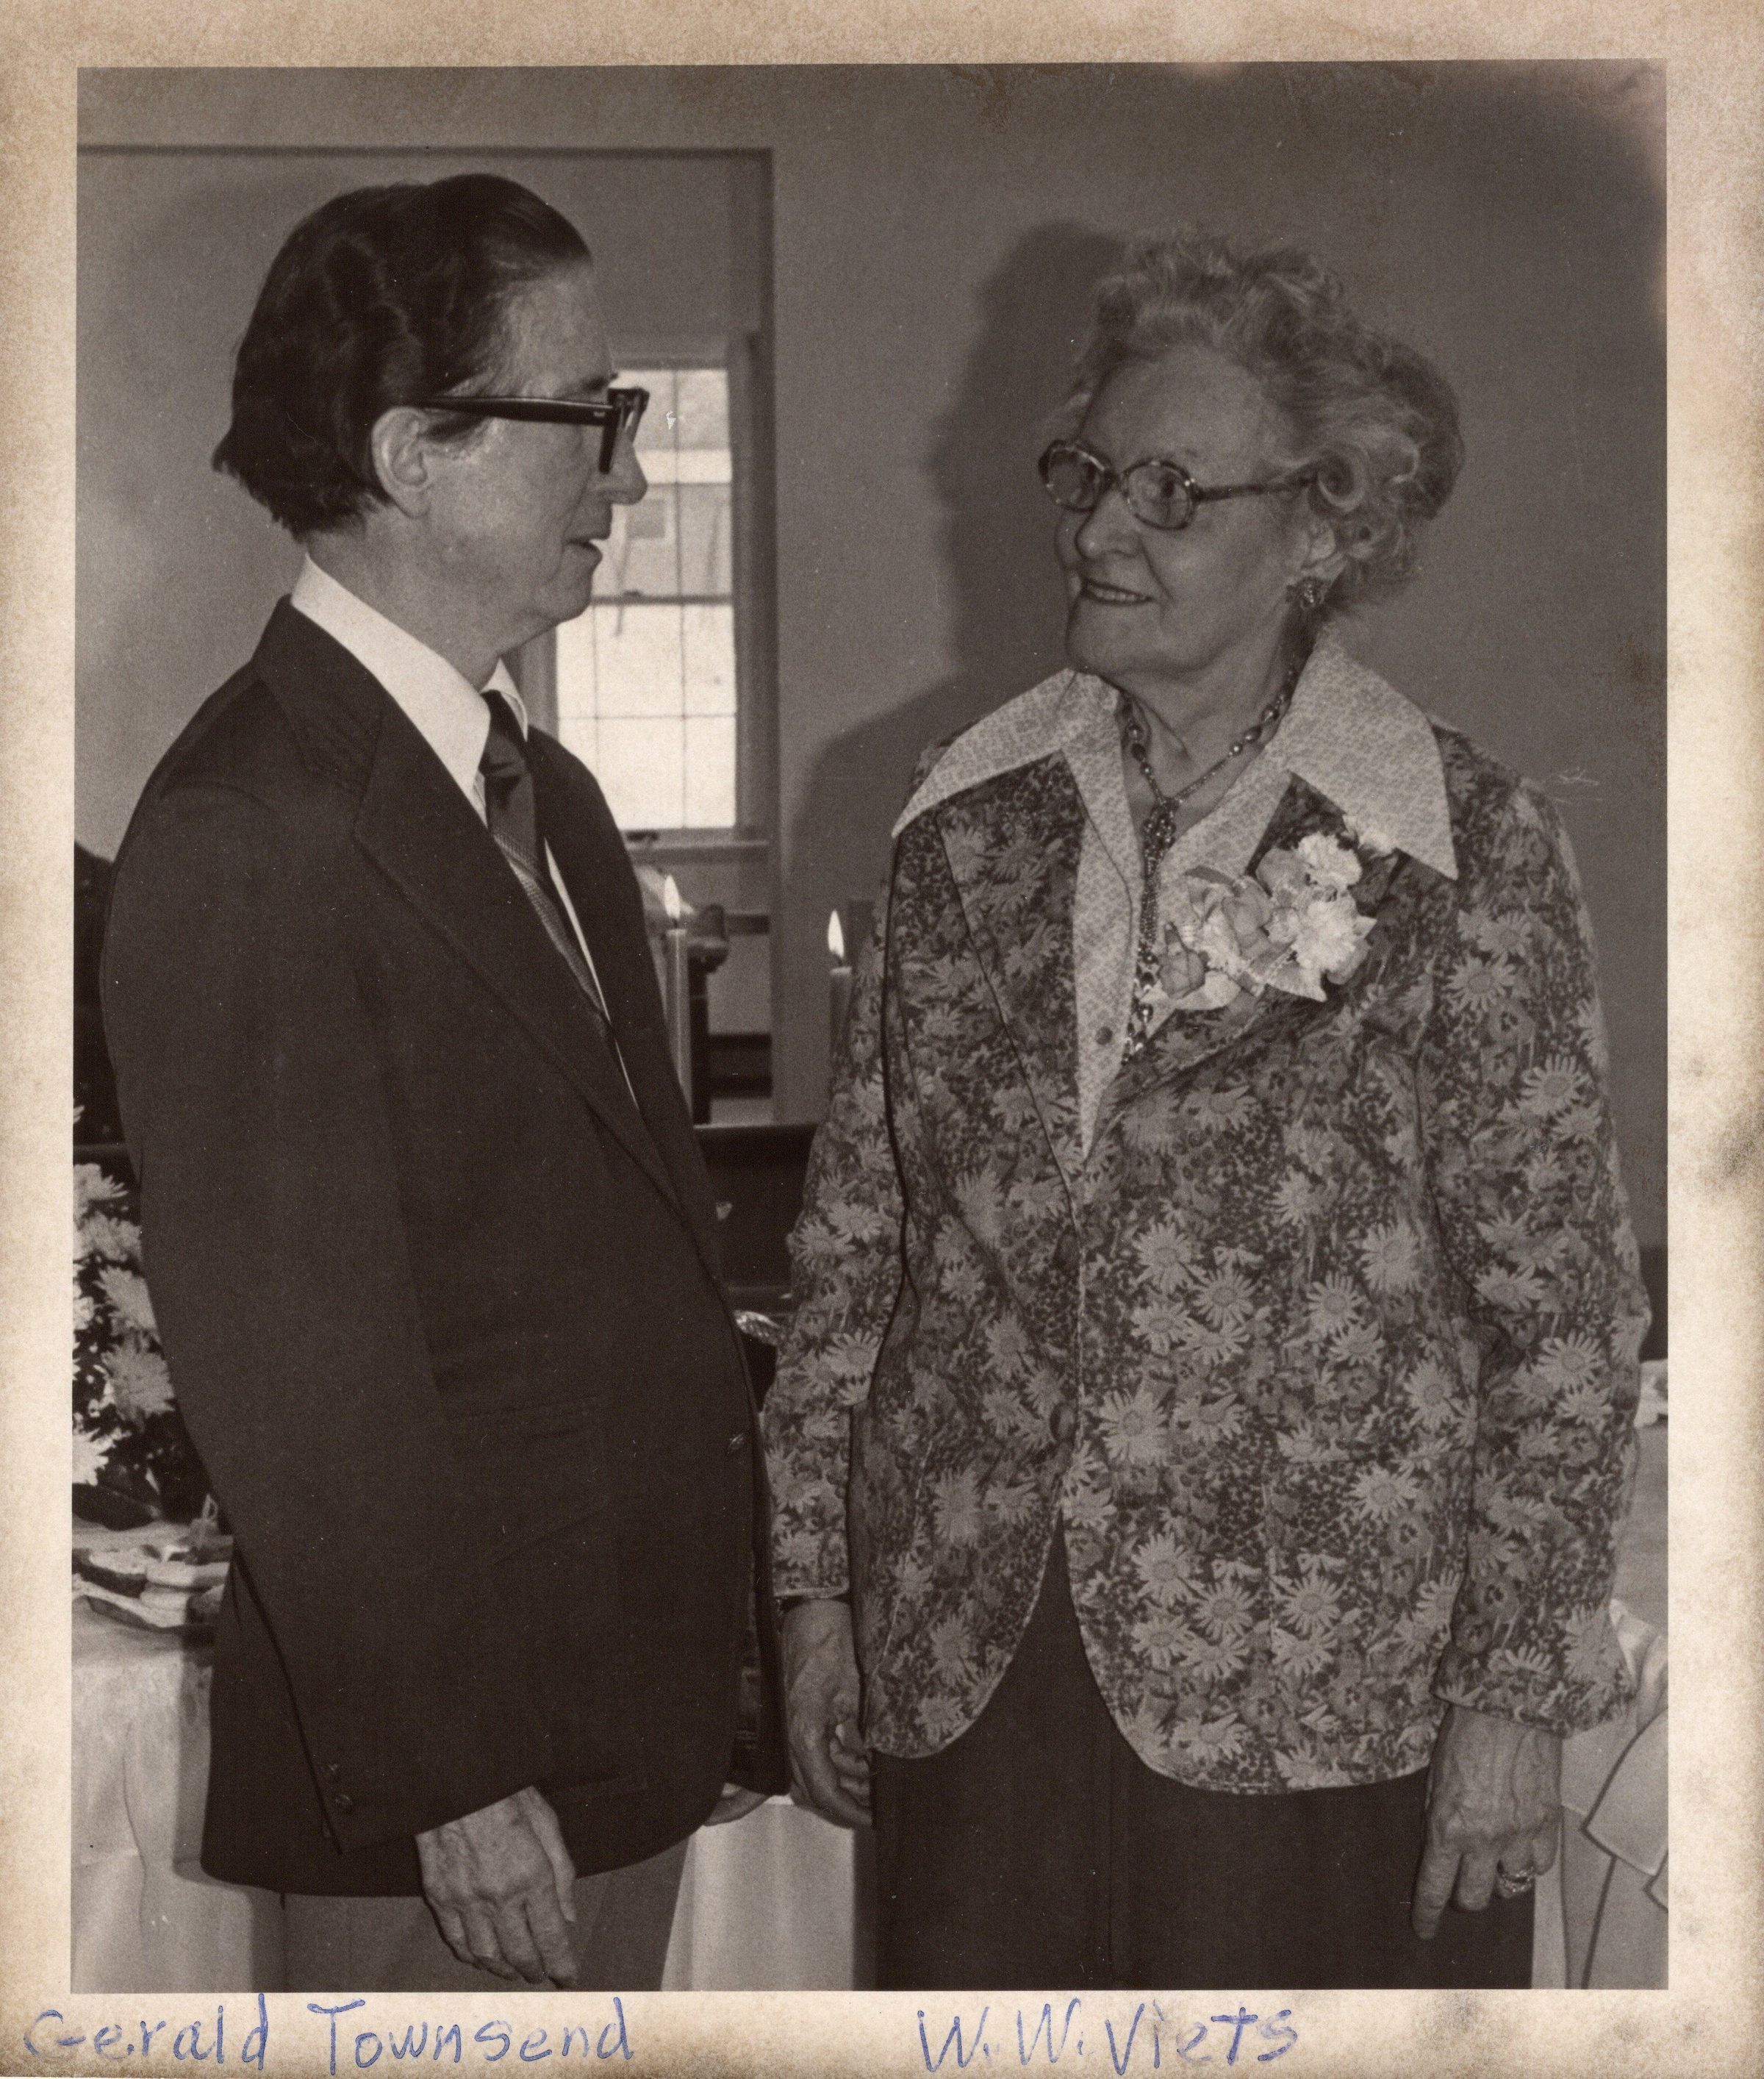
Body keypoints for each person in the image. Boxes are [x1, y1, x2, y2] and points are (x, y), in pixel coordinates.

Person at [762, 228, 1649, 1991]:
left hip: (1334, 1697)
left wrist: (1513, 1690)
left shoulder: (1460, 845)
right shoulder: (962, 823)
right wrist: (814, 1595)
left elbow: (1561, 1308)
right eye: (1089, 476)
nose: (1103, 530)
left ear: (1321, 532)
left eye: (1173, 492)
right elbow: (861, 1247)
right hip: (979, 1666)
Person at [101, 173, 784, 1994]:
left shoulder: (544, 793)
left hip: (612, 1724)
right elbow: (292, 1363)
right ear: (416, 452)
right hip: (455, 1797)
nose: (629, 479)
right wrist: (453, 1774)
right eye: (594, 417)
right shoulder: (252, 821)